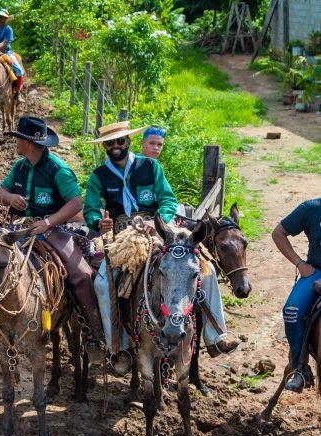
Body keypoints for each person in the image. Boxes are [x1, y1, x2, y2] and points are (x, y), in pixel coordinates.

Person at [84, 121, 239, 374]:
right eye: (109, 143)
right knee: (102, 282)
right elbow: (90, 208)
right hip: (122, 233)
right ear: (104, 146)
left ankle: (217, 335)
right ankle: (119, 348)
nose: (115, 147)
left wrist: (160, 221)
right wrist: (96, 221)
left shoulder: (150, 166)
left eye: (119, 142)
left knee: (205, 265)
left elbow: (167, 199)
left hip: (159, 228)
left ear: (129, 142)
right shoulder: (98, 176)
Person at [0, 115, 106, 362]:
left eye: (18, 139)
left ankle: (93, 334)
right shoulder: (20, 166)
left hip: (55, 228)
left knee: (80, 275)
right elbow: (0, 190)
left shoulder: (58, 170)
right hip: (21, 226)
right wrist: (10, 198)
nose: (15, 143)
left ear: (27, 142)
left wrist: (47, 222)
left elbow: (76, 203)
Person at [272, 198, 321, 392]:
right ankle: (300, 369)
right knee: (292, 311)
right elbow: (278, 233)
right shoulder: (311, 209)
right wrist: (300, 264)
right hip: (315, 272)